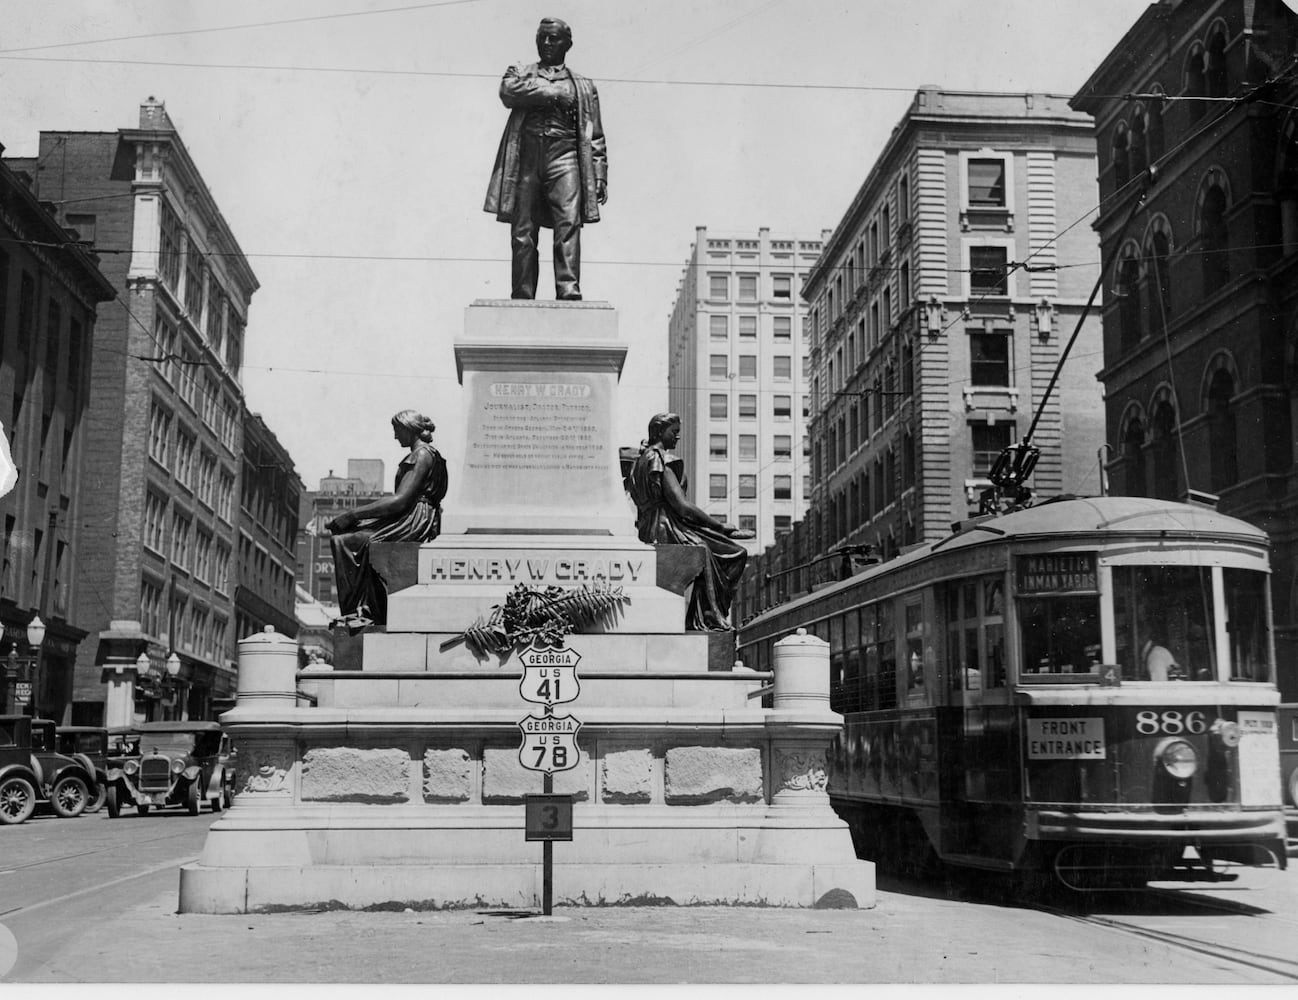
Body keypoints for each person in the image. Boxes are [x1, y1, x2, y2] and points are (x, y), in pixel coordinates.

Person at [483, 17, 607, 301]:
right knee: (523, 229)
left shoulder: (583, 86)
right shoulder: (521, 72)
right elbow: (508, 91)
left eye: (554, 38)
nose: (547, 43)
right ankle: (522, 292)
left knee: (568, 224)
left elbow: (594, 134)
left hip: (565, 158)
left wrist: (599, 174)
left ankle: (568, 288)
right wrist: (552, 93)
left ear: (568, 44)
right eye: (542, 38)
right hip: (527, 157)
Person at [625, 413, 754, 631]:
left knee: (718, 549)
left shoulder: (641, 460)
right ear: (658, 432)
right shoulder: (658, 459)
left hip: (655, 526)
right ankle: (709, 615)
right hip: (666, 528)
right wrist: (719, 526)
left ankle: (705, 615)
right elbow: (682, 505)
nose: (677, 437)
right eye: (674, 432)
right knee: (733, 554)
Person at [326, 410, 448, 633]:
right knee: (358, 536)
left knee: (346, 541)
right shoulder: (430, 454)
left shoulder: (421, 455)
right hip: (417, 516)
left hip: (413, 520)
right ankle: (368, 610)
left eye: (397, 431)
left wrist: (352, 515)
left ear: (408, 429)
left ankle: (359, 612)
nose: (395, 437)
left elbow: (400, 501)